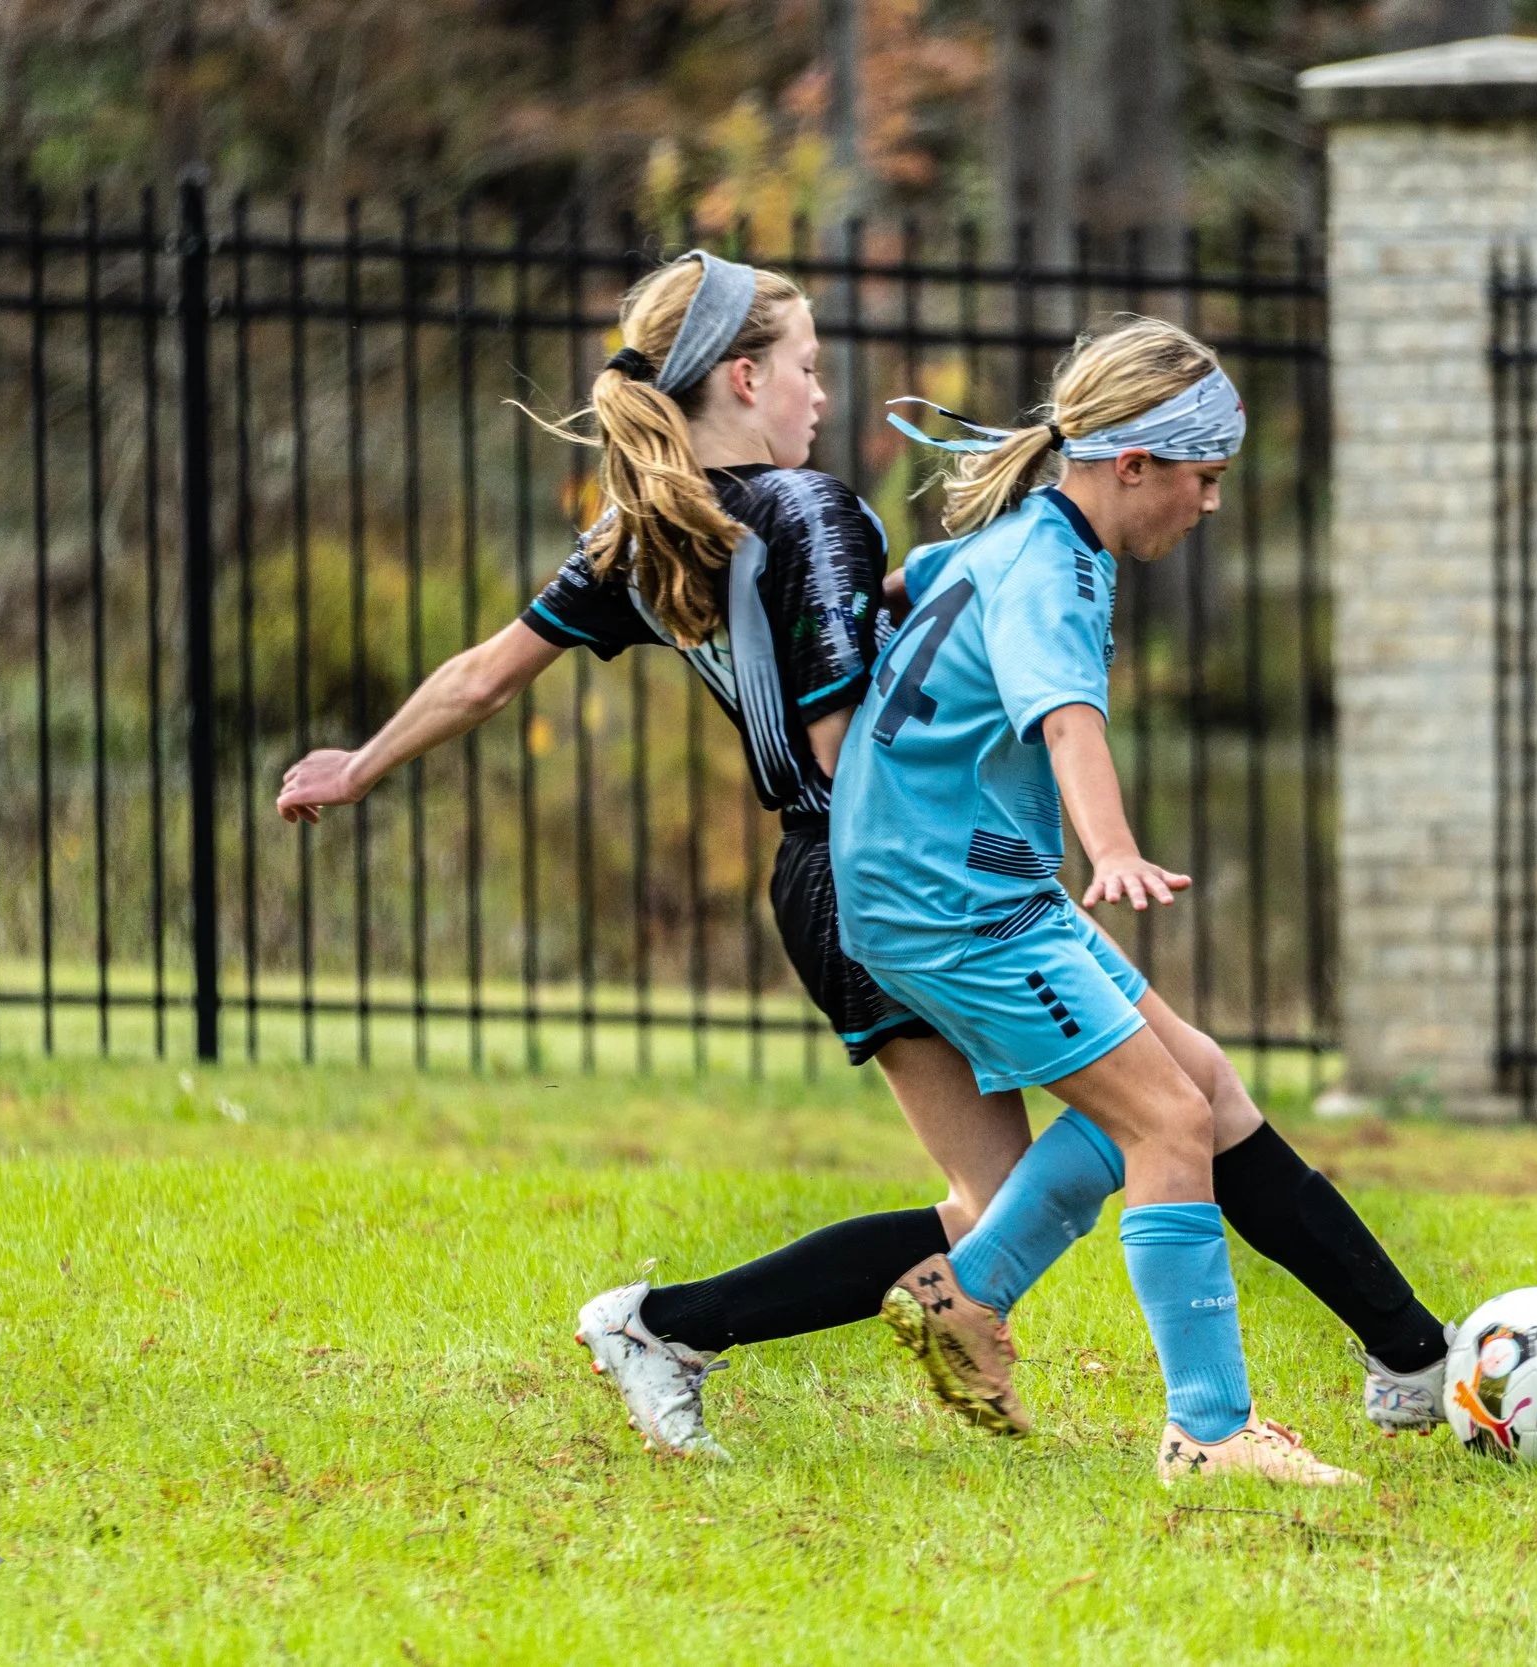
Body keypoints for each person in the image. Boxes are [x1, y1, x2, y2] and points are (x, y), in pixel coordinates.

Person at [277, 250, 1038, 1460]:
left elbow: (483, 677)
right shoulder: (808, 508)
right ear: (742, 376)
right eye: (806, 368)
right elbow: (847, 746)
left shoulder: (646, 530)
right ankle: (665, 1324)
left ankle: (682, 1327)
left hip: (823, 874)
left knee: (1007, 1195)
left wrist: (359, 764)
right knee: (1074, 1158)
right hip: (879, 865)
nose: (821, 394)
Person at [833, 316, 1453, 1486]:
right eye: (1202, 478)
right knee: (1165, 1121)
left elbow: (901, 593)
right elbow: (1068, 722)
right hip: (952, 901)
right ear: (1132, 465)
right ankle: (1208, 1430)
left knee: (1198, 1083)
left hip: (951, 883)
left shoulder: (1013, 538)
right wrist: (1110, 849)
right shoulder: (1049, 568)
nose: (1209, 503)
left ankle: (967, 1289)